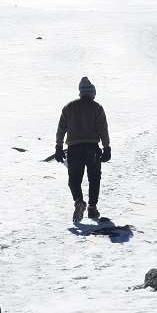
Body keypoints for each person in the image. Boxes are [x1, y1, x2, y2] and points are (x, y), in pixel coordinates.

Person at [55, 76, 110, 223]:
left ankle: (79, 201)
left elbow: (61, 129)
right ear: (92, 93)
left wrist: (58, 147)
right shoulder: (97, 108)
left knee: (74, 179)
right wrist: (107, 148)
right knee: (94, 178)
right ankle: (92, 208)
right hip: (92, 148)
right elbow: (103, 130)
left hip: (74, 149)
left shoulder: (69, 107)